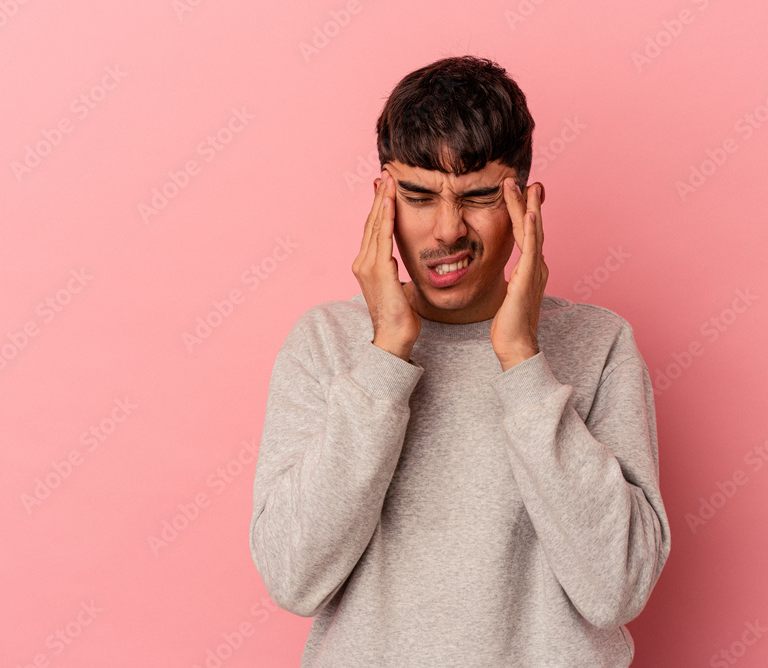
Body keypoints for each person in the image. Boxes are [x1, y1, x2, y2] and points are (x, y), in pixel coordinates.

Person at [249, 55, 670, 667]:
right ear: (382, 199)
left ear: (525, 204)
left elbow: (617, 589)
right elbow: (293, 577)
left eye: (477, 197)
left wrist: (522, 361)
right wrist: (387, 353)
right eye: (419, 196)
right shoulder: (324, 345)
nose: (447, 229)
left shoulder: (599, 344)